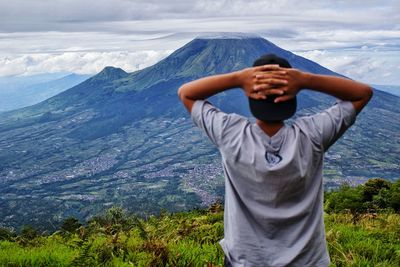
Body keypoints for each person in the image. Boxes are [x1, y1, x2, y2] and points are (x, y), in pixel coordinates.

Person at [177, 54, 373, 267]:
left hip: (245, 261)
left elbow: (186, 93)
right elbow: (362, 94)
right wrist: (305, 80)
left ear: (251, 96)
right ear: (292, 98)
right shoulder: (312, 135)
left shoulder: (231, 133)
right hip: (307, 262)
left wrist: (239, 78)